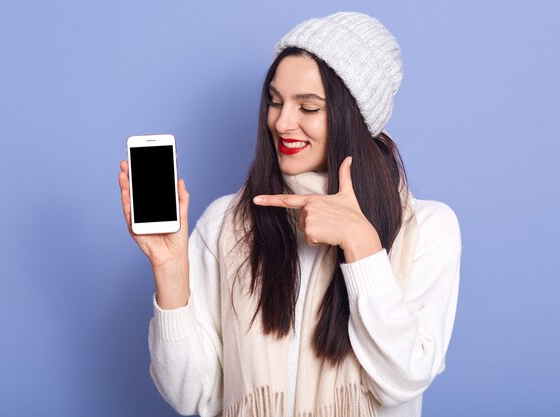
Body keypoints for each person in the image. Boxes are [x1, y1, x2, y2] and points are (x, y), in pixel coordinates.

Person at [118, 11, 461, 417]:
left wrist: (362, 247)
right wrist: (171, 272)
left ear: (355, 118)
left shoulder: (427, 230)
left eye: (309, 107)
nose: (282, 123)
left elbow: (404, 379)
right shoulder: (225, 224)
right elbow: (194, 395)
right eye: (275, 102)